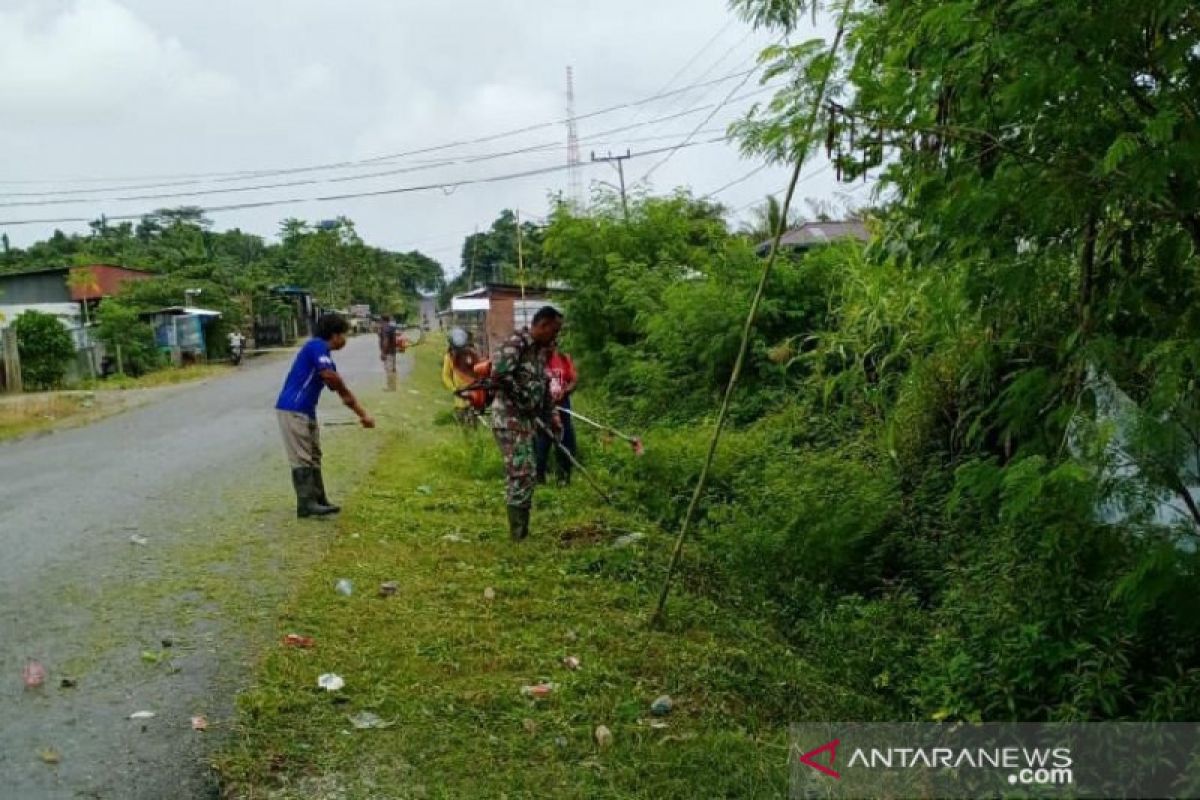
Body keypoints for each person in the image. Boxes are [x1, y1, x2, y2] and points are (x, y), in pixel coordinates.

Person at [275, 313, 375, 518]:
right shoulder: (316, 347)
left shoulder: (326, 358)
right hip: (293, 408)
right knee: (302, 456)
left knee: (314, 454)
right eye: (344, 335)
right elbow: (331, 379)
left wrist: (362, 414)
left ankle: (319, 499)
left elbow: (339, 389)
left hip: (306, 410)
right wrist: (345, 392)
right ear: (335, 335)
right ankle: (306, 504)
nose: (345, 340)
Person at [490, 306, 564, 541]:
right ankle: (518, 535)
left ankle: (521, 531)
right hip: (509, 419)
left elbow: (542, 387)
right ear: (542, 325)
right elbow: (500, 375)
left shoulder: (541, 352)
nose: (556, 336)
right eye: (554, 330)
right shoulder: (517, 343)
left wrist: (552, 416)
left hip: (526, 420)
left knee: (526, 472)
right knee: (523, 472)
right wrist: (523, 401)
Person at [535, 341, 578, 484]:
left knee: (565, 440)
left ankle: (564, 477)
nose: (548, 347)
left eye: (551, 344)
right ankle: (539, 477)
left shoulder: (564, 358)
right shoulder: (536, 361)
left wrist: (565, 391)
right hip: (542, 408)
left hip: (563, 406)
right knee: (542, 442)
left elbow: (573, 380)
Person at [441, 327, 480, 425]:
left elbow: (479, 371)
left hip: (474, 394)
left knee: (474, 423)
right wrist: (453, 388)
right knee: (462, 423)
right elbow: (446, 376)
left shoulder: (472, 354)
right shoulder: (449, 357)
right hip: (460, 397)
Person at [378, 315, 399, 391]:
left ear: (382, 320)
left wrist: (383, 353)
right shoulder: (391, 328)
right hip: (393, 351)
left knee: (389, 369)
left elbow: (386, 341)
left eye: (380, 320)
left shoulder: (385, 328)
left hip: (388, 352)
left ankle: (390, 387)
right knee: (392, 369)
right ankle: (393, 386)